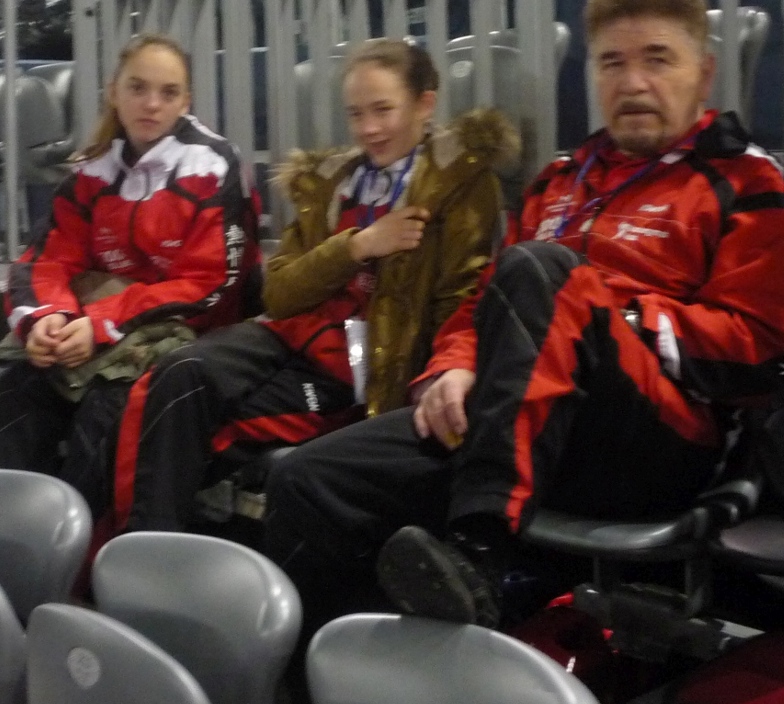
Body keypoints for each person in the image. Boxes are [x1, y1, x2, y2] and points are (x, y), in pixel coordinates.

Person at [263, 0, 784, 628]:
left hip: (656, 444)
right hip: (516, 412)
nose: (633, 82)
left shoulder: (751, 182)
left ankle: (481, 555)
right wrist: (453, 367)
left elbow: (762, 354)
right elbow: (482, 302)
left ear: (703, 72)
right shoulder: (560, 181)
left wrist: (601, 314)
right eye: (612, 63)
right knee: (308, 478)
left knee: (542, 271)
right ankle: (338, 674)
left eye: (657, 59)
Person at [110, 38, 517, 533]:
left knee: (186, 424)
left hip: (360, 370)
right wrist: (357, 246)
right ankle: (145, 551)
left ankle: (156, 546)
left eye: (383, 110)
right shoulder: (331, 180)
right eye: (356, 114)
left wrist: (432, 377)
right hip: (287, 337)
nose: (368, 129)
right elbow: (279, 294)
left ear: (424, 104)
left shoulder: (460, 184)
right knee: (180, 370)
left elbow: (460, 300)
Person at [0, 33, 260, 513]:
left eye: (168, 93)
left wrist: (101, 323)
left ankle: (78, 547)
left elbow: (209, 285)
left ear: (186, 101)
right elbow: (48, 260)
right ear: (114, 92)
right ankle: (4, 531)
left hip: (192, 337)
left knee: (108, 409)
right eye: (137, 88)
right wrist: (47, 319)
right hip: (101, 330)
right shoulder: (92, 169)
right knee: (16, 390)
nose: (151, 104)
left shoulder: (214, 165)